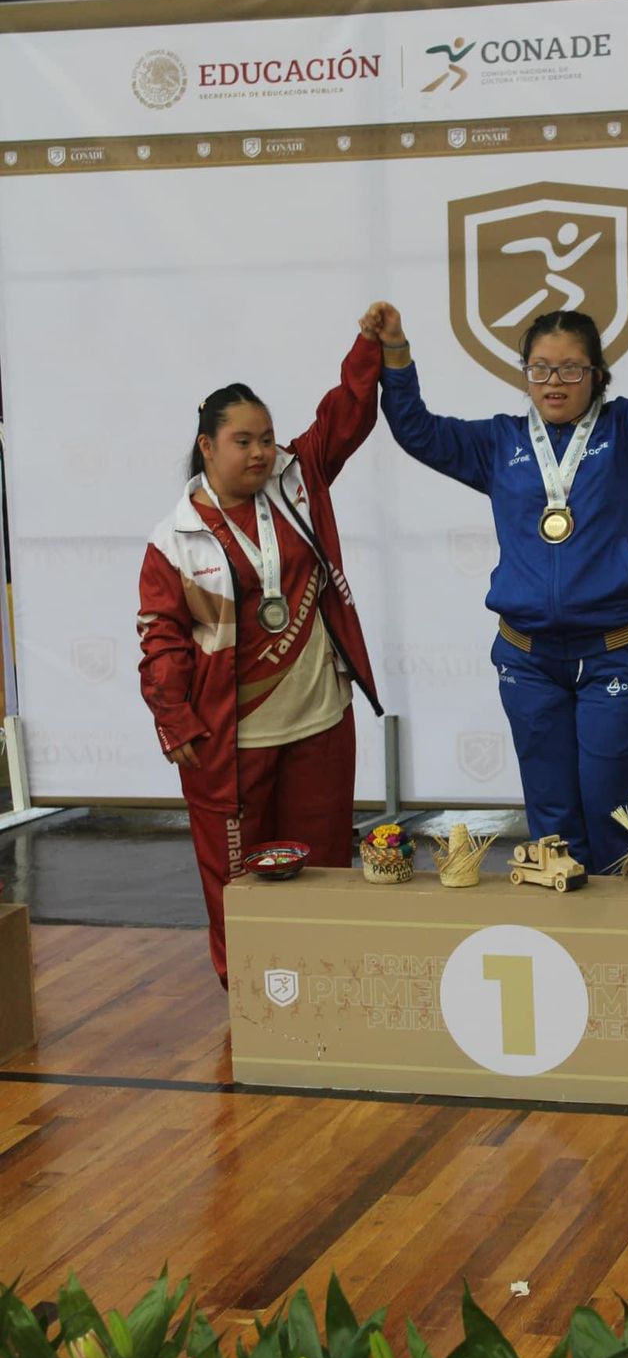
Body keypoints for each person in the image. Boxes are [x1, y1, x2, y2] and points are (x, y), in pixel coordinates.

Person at [363, 300, 628, 874]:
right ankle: (566, 928)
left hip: (618, 652)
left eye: (571, 369)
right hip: (528, 660)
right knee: (551, 821)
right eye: (540, 368)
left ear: (597, 374)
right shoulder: (499, 442)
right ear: (524, 373)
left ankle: (626, 928)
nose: (554, 382)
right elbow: (416, 430)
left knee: (616, 812)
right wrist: (396, 353)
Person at [137, 337, 384, 987]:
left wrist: (370, 346)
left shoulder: (297, 479)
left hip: (319, 718)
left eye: (267, 439)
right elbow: (161, 637)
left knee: (323, 866)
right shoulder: (175, 540)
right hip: (232, 738)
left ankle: (327, 983)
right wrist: (175, 719)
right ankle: (252, 997)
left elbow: (347, 415)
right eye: (243, 441)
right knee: (239, 882)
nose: (259, 452)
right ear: (207, 446)